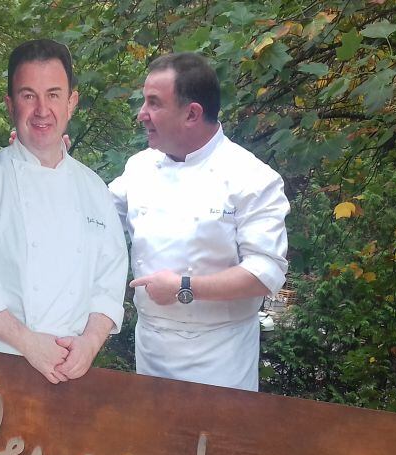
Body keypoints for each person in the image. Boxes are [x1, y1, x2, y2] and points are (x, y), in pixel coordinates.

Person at [0, 39, 127, 385]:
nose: (42, 109)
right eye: (29, 95)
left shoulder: (94, 189)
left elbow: (109, 281)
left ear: (72, 102)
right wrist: (29, 343)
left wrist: (89, 344)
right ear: (10, 105)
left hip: (71, 372)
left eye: (54, 94)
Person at [109, 52, 289, 392]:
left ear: (192, 113)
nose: (141, 115)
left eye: (154, 103)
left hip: (221, 357)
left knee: (216, 444)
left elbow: (266, 271)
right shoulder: (139, 168)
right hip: (151, 348)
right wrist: (52, 161)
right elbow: (93, 218)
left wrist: (185, 287)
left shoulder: (251, 178)